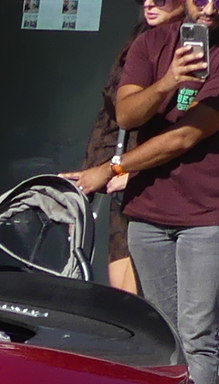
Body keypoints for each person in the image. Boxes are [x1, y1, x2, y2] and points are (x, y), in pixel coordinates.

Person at [68, 0, 219, 384]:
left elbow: (186, 134)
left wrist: (116, 168)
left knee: (197, 334)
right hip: (150, 212)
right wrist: (169, 81)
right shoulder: (151, 44)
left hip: (209, 213)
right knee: (162, 333)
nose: (211, 9)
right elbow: (127, 113)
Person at [76, 0, 188, 294]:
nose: (149, 3)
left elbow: (185, 129)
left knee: (148, 299)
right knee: (123, 294)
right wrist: (98, 170)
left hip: (164, 187)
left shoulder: (191, 45)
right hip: (125, 179)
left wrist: (124, 168)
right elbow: (113, 117)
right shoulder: (140, 39)